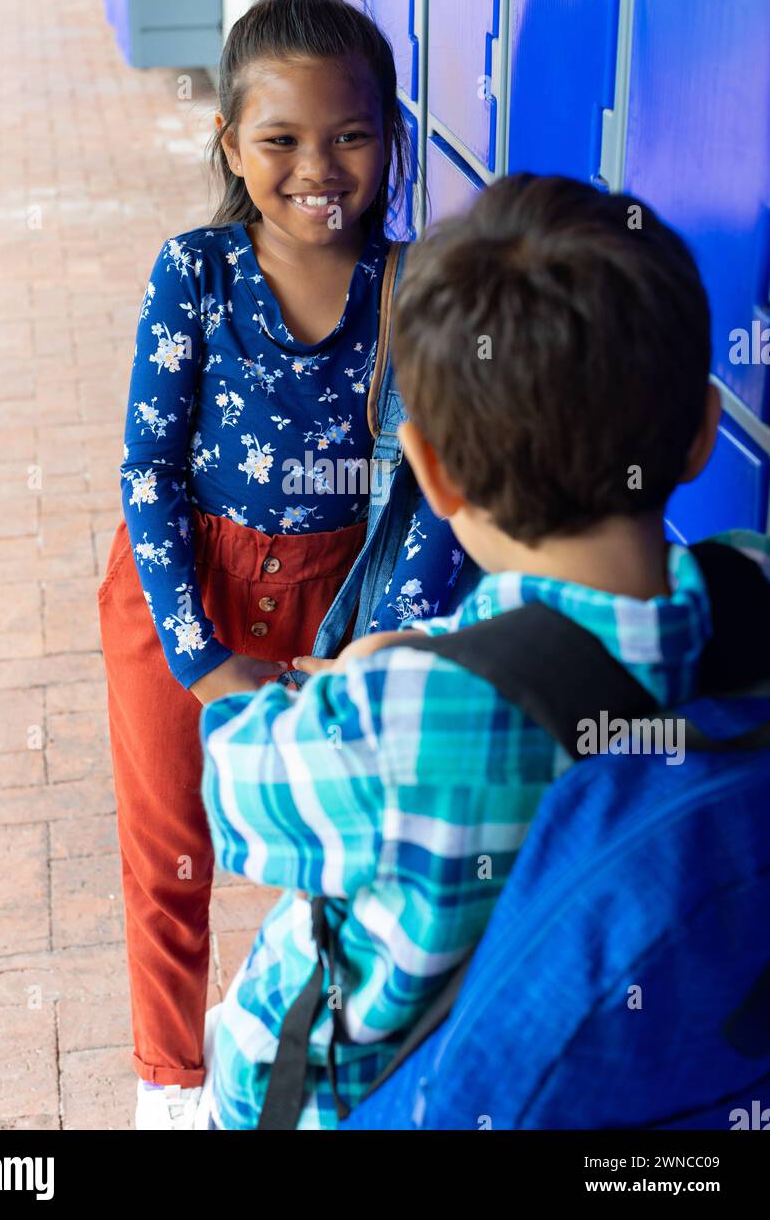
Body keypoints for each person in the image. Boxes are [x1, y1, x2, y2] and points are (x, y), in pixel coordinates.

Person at [196, 172, 769, 1130]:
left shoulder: (401, 718)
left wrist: (371, 678)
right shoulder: (751, 595)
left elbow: (233, 787)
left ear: (436, 477)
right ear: (704, 432)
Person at [97, 0, 467, 1130]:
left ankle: (290, 1061)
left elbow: (435, 494)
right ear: (228, 140)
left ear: (391, 137)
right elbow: (147, 470)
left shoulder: (414, 287)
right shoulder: (193, 275)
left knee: (327, 851)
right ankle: (168, 1085)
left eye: (353, 135)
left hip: (337, 600)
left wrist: (389, 641)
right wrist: (201, 655)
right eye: (283, 138)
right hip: (179, 589)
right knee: (171, 849)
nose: (320, 168)